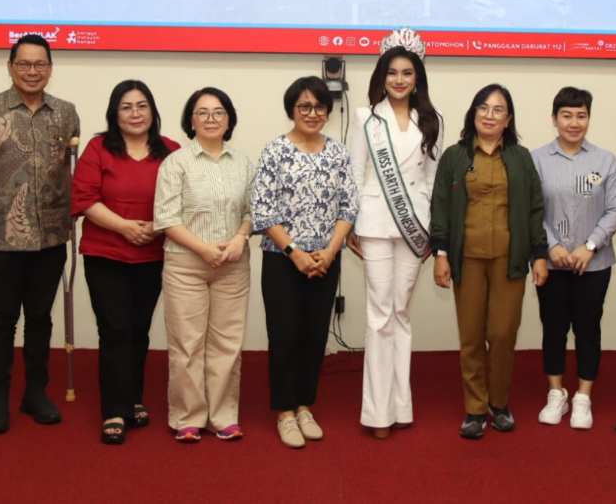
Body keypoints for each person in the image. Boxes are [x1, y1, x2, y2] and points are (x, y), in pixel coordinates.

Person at [430, 84, 548, 440]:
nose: (490, 115)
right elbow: (440, 206)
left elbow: (534, 208)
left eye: (498, 109)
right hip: (466, 258)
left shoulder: (520, 157)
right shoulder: (454, 156)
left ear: (508, 119)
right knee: (470, 336)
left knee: (501, 334)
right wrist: (440, 253)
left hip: (509, 259)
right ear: (473, 114)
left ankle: (500, 403)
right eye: (483, 108)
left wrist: (539, 255)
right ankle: (475, 409)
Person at [0, 34, 80, 434]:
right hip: (2, 237)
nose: (33, 71)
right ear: (10, 67)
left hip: (51, 235)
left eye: (40, 64)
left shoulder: (67, 114)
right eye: (24, 64)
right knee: (3, 318)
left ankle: (35, 393)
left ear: (50, 68)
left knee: (41, 318)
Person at [71, 80, 180, 445]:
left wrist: (155, 226)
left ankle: (133, 397)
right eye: (126, 107)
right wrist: (124, 227)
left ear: (153, 111)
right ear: (114, 114)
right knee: (115, 330)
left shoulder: (171, 151)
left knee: (138, 330)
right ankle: (113, 410)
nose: (135, 113)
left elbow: (183, 200)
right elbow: (84, 198)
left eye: (142, 106)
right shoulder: (99, 148)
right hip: (107, 254)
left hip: (151, 255)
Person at [346, 30, 442, 439]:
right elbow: (353, 171)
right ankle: (376, 413)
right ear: (382, 76)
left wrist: (434, 234)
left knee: (401, 313)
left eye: (407, 73)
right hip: (373, 223)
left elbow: (435, 180)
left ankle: (400, 406)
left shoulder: (433, 120)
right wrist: (347, 222)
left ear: (417, 77)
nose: (399, 80)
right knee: (379, 314)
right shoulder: (365, 117)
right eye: (392, 73)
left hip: (414, 224)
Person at [251, 77, 358, 449]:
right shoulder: (275, 151)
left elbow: (349, 207)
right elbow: (263, 211)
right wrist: (295, 253)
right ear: (292, 110)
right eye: (304, 107)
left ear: (328, 111)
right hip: (282, 259)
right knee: (285, 335)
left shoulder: (338, 153)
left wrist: (329, 251)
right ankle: (283, 411)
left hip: (326, 258)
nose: (312, 113)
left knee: (314, 336)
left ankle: (304, 405)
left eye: (319, 107)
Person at [153, 87, 253, 442]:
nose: (211, 119)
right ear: (190, 120)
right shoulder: (175, 162)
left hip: (233, 265)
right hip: (185, 265)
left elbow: (251, 213)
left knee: (227, 344)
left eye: (218, 112)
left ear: (229, 120)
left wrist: (240, 237)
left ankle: (223, 416)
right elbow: (165, 218)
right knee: (187, 344)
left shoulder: (242, 162)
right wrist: (203, 249)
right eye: (203, 112)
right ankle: (188, 417)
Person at [530, 87, 616, 430]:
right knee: (553, 329)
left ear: (589, 118)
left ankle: (583, 396)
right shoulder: (537, 159)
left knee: (588, 328)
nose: (574, 122)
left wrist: (590, 245)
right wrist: (552, 245)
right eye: (566, 115)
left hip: (594, 264)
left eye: (581, 115)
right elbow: (532, 209)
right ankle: (556, 393)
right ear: (554, 119)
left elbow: (615, 210)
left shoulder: (604, 161)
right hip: (551, 264)